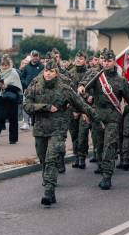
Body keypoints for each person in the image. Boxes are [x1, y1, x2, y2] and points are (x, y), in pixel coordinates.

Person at [24, 60, 100, 205]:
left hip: (58, 129)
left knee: (51, 158)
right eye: (46, 71)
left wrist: (96, 119)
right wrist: (45, 107)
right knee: (43, 158)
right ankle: (49, 184)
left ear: (56, 73)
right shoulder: (35, 85)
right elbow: (26, 106)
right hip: (40, 129)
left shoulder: (64, 88)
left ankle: (49, 191)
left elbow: (81, 104)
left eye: (51, 71)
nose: (48, 74)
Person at [78, 50, 129, 190]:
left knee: (110, 145)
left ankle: (107, 176)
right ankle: (102, 166)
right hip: (97, 115)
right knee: (99, 145)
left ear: (114, 62)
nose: (106, 63)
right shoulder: (95, 75)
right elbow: (84, 84)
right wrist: (82, 88)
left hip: (113, 116)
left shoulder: (121, 81)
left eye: (109, 61)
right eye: (104, 61)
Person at [0, 54, 22, 145]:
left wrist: (7, 86)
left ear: (9, 65)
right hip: (1, 97)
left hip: (11, 98)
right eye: (3, 65)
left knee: (13, 119)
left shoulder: (14, 73)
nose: (4, 67)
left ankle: (13, 139)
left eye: (6, 65)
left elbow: (17, 87)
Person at [20, 50, 44, 131]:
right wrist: (25, 83)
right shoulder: (26, 67)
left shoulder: (42, 67)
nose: (35, 57)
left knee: (37, 106)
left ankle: (36, 122)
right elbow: (22, 77)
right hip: (27, 89)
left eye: (36, 56)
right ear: (31, 56)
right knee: (25, 105)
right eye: (34, 56)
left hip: (38, 90)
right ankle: (26, 122)